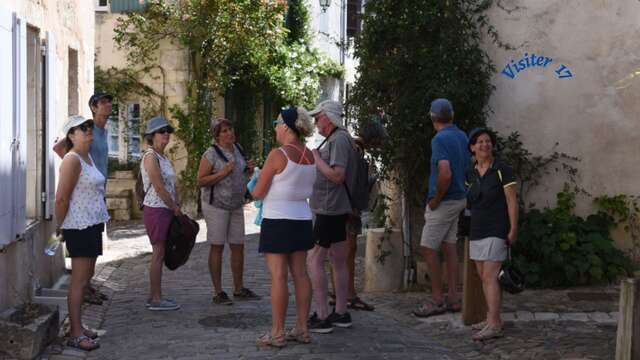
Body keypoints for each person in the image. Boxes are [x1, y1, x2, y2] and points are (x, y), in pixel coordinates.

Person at [251, 107, 316, 347]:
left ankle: (277, 333)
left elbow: (258, 192)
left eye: (277, 123)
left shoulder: (278, 155)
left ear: (286, 127)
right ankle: (302, 328)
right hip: (302, 219)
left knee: (278, 276)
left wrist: (252, 184)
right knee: (301, 274)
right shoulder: (309, 155)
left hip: (278, 219)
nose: (276, 128)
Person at [55, 115, 110, 351]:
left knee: (86, 280)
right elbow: (61, 198)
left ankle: (78, 324)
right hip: (78, 226)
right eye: (81, 128)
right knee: (78, 283)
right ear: (71, 135)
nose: (88, 130)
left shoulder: (86, 156)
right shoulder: (72, 159)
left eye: (88, 126)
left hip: (92, 224)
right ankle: (75, 333)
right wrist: (60, 228)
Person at [53, 92, 113, 306]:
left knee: (94, 251)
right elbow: (59, 148)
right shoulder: (84, 131)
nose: (108, 105)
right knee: (84, 257)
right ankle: (84, 290)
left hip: (97, 197)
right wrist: (78, 172)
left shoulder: (103, 132)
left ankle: (88, 286)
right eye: (103, 102)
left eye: (109, 102)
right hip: (84, 203)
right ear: (93, 107)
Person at [413, 98, 469, 317]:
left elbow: (445, 172)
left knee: (428, 248)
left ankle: (437, 299)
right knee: (450, 247)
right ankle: (454, 297)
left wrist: (436, 199)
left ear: (433, 117)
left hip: (444, 201)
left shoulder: (439, 139)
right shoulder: (462, 136)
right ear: (452, 116)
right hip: (460, 197)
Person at [197, 117, 259, 305]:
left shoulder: (238, 149)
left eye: (230, 129)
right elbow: (200, 180)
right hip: (216, 205)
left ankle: (239, 289)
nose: (229, 133)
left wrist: (248, 170)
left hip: (236, 204)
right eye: (224, 131)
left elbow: (241, 174)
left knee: (238, 245)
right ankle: (218, 292)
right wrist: (223, 172)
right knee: (217, 246)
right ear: (217, 135)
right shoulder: (211, 154)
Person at [307, 100, 357, 333]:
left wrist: (316, 158)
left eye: (318, 117)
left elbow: (337, 176)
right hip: (335, 207)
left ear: (329, 117)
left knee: (315, 259)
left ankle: (323, 315)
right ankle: (340, 312)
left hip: (329, 208)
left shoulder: (338, 140)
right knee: (337, 259)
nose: (316, 122)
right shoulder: (341, 138)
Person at [465, 128, 518, 340]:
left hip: (497, 228)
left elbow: (512, 201)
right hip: (477, 229)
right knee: (483, 277)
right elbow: (469, 202)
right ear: (472, 147)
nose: (485, 145)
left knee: (490, 276)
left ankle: (494, 324)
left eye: (488, 141)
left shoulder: (502, 170)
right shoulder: (470, 172)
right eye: (480, 142)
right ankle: (492, 317)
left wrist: (513, 228)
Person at [140, 116, 181, 311]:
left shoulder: (163, 157)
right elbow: (158, 186)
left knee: (161, 251)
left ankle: (155, 295)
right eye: (161, 131)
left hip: (165, 209)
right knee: (158, 253)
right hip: (156, 209)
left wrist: (176, 204)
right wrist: (174, 207)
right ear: (152, 135)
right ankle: (156, 298)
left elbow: (172, 184)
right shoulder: (150, 156)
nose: (166, 134)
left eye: (168, 131)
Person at [329, 137, 374, 311]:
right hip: (348, 207)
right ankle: (346, 294)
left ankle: (344, 293)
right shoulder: (353, 151)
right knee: (346, 251)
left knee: (346, 251)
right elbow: (351, 181)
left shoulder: (353, 149)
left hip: (349, 206)